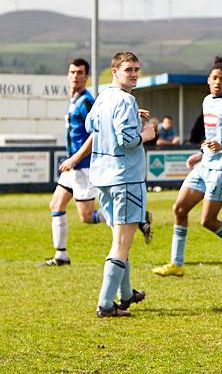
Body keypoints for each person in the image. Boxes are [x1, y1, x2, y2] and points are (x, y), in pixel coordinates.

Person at [152, 56, 222, 278]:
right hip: (205, 165)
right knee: (179, 209)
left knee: (208, 221)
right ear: (208, 80)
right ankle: (176, 263)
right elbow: (211, 136)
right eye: (214, 77)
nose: (217, 82)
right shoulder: (207, 101)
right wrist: (200, 154)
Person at [86, 51, 157, 317]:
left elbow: (90, 123)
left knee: (119, 239)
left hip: (103, 178)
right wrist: (146, 134)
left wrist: (126, 114)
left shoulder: (104, 96)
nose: (134, 74)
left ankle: (125, 294)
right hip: (125, 178)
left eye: (137, 69)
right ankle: (105, 305)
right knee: (122, 244)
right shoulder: (126, 100)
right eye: (129, 69)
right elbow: (127, 139)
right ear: (115, 71)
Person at [43, 59, 106, 266]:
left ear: (86, 77)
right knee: (56, 204)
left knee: (87, 217)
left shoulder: (87, 101)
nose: (75, 76)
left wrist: (76, 158)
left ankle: (131, 215)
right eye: (72, 72)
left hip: (84, 165)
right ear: (67, 75)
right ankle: (61, 255)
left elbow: (97, 133)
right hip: (73, 167)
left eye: (80, 72)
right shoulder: (73, 99)